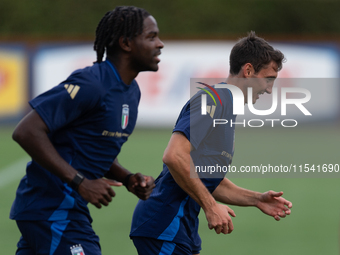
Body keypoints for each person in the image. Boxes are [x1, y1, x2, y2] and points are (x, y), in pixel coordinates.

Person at [10, 6, 163, 255]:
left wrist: (126, 177)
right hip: (51, 210)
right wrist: (80, 182)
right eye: (151, 36)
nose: (160, 44)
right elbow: (26, 131)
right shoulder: (91, 83)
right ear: (126, 43)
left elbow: (92, 147)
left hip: (59, 210)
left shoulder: (131, 91)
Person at [130, 31, 293, 255]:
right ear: (248, 71)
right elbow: (174, 156)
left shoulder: (226, 106)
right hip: (164, 224)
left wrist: (257, 199)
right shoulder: (213, 101)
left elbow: (207, 178)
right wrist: (211, 206)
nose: (269, 89)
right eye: (268, 79)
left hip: (182, 226)